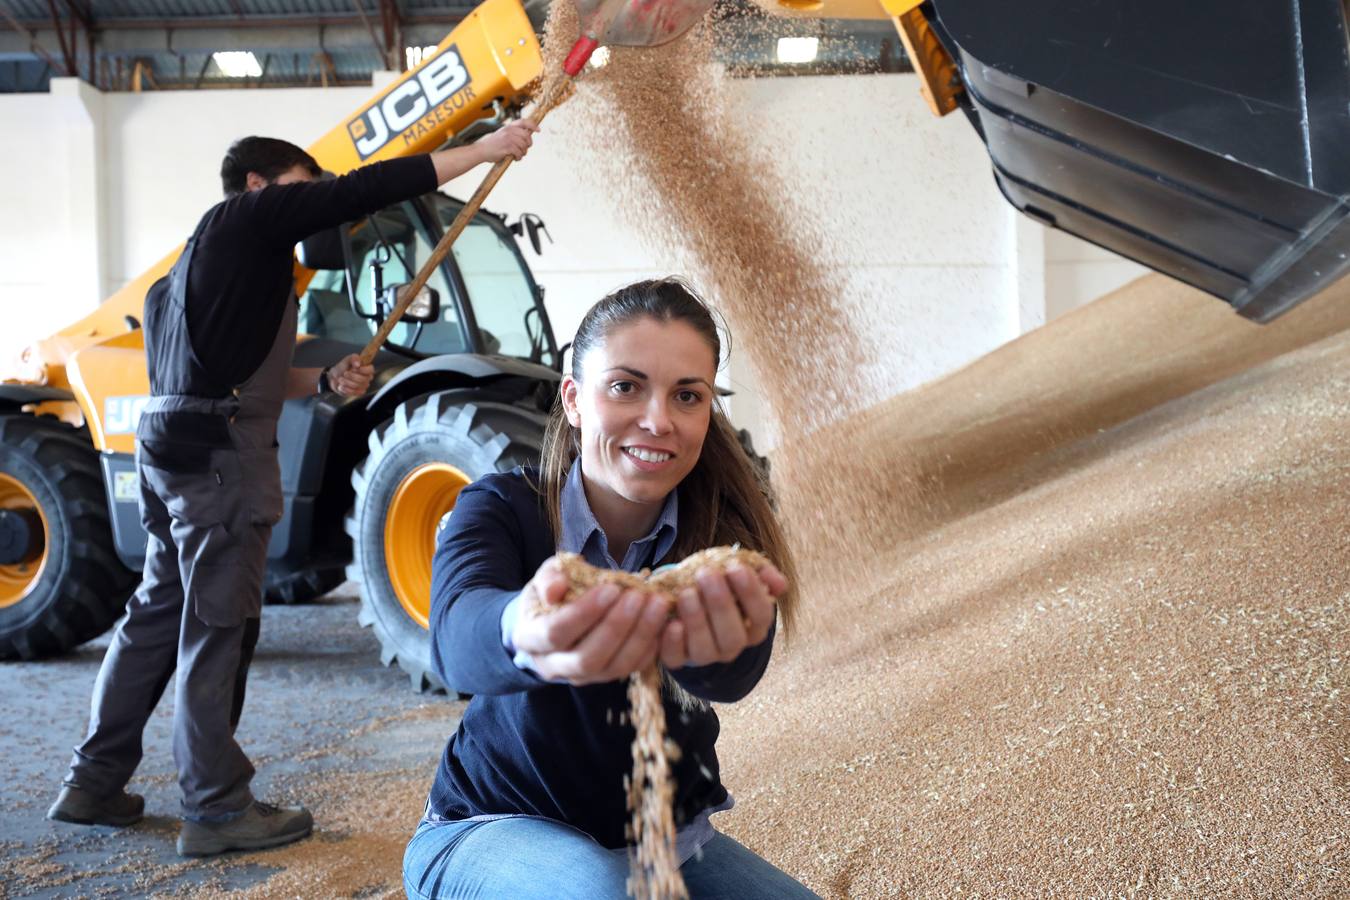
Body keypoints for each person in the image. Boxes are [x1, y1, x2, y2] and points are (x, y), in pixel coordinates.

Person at [47, 119, 539, 857]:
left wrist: (327, 380)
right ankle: (216, 809)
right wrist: (485, 150)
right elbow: (366, 187)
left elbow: (233, 377)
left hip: (172, 449)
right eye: (302, 190)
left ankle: (92, 782)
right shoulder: (246, 219)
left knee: (157, 613)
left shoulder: (184, 276)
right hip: (220, 460)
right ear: (258, 186)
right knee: (218, 627)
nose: (313, 205)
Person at [403, 278, 820, 898]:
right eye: (625, 386)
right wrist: (524, 626)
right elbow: (457, 633)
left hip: (662, 845)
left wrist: (710, 643)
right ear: (573, 400)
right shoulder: (502, 506)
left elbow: (731, 676)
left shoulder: (720, 531)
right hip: (491, 830)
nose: (658, 421)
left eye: (687, 396)